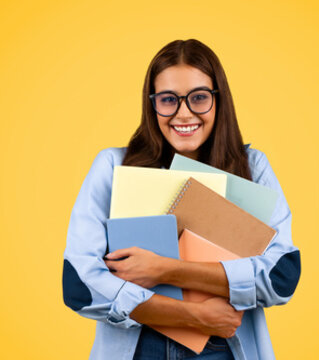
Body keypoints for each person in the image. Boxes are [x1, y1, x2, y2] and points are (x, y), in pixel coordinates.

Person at [61, 39, 301, 360]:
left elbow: (280, 277)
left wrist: (166, 270)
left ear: (219, 100)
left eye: (199, 97)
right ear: (152, 104)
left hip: (221, 349)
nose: (183, 113)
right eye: (168, 99)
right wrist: (194, 316)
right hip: (138, 348)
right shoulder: (113, 166)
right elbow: (79, 284)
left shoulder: (253, 167)